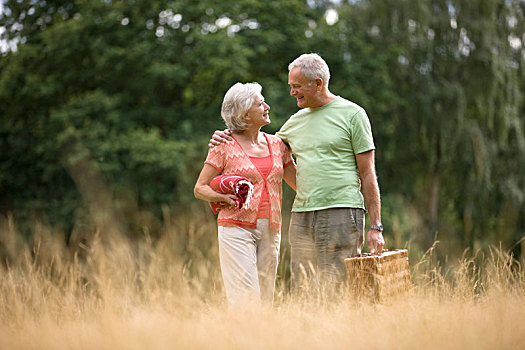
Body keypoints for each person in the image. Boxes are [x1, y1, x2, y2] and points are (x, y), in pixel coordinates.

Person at [209, 53, 384, 293]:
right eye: (290, 86)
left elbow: (368, 174)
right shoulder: (294, 123)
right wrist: (227, 133)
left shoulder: (352, 115)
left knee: (337, 288)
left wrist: (376, 226)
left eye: (297, 86)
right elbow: (258, 148)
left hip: (342, 212)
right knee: (304, 290)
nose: (292, 92)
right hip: (301, 216)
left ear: (318, 83)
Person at [194, 82, 296, 306]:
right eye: (261, 104)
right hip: (236, 229)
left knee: (266, 299)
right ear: (245, 115)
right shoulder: (224, 145)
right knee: (245, 300)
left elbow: (300, 184)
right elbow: (200, 188)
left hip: (272, 230)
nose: (267, 106)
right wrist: (222, 197)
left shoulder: (278, 145)